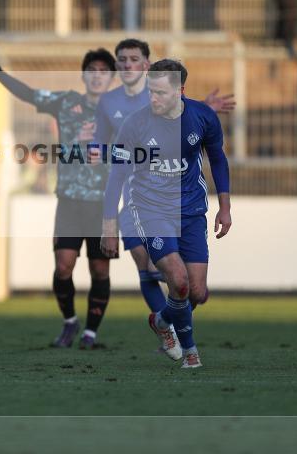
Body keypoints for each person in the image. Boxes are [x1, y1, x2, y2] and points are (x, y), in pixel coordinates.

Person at [93, 39, 234, 357]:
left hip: (192, 210)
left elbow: (219, 160)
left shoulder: (202, 117)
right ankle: (183, 345)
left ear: (180, 91)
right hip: (147, 209)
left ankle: (162, 320)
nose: (153, 97)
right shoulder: (134, 123)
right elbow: (115, 174)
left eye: (160, 92)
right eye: (151, 91)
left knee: (196, 291)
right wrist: (108, 224)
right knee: (168, 276)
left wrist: (225, 208)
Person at [0, 47, 116, 349]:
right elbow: (28, 93)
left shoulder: (120, 111)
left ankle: (91, 332)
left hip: (103, 205)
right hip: (69, 201)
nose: (97, 75)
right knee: (64, 266)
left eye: (104, 71)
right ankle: (69, 322)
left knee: (99, 269)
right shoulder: (66, 102)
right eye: (92, 70)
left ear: (112, 77)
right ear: (84, 75)